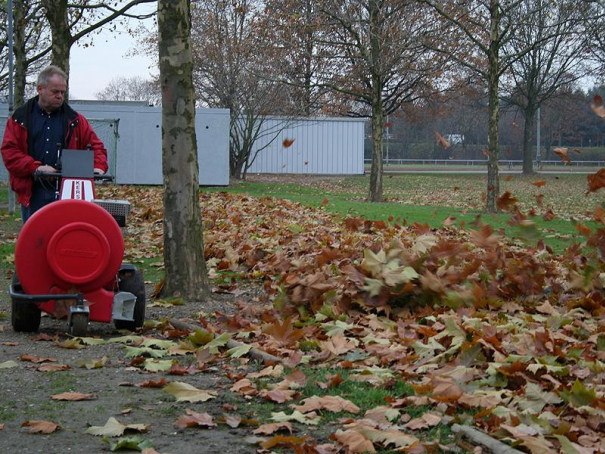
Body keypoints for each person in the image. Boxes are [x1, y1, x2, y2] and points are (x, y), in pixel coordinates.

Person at [1, 65, 108, 222]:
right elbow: (10, 153)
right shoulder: (20, 119)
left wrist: (98, 166)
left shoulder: (76, 120)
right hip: (33, 190)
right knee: (35, 240)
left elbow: (97, 146)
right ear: (40, 89)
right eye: (55, 92)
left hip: (68, 191)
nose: (60, 96)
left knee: (65, 238)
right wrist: (35, 167)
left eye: (62, 92)